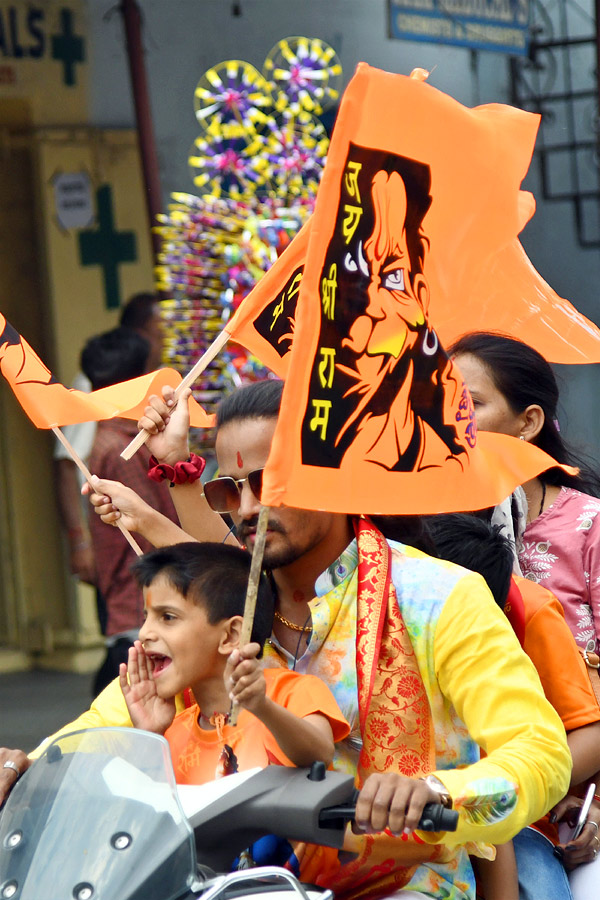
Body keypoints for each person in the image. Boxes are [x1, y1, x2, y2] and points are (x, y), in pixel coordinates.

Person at [3, 380, 572, 900]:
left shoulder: (438, 598)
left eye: (269, 482)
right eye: (231, 490)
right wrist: (26, 765)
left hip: (401, 887)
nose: (249, 508)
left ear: (334, 471)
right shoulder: (218, 609)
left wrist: (438, 793)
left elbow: (541, 754)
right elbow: (108, 722)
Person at [427, 513, 600, 900]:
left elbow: (591, 731)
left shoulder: (531, 611)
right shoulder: (404, 610)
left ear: (498, 607)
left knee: (538, 888)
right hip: (430, 807)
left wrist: (536, 784)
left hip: (521, 816)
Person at [450, 331, 600, 657]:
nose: (449, 420)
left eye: (469, 404)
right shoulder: (425, 519)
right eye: (441, 402)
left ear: (529, 423)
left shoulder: (590, 526)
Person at [82, 326, 179, 694]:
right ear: (138, 380)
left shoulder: (126, 438)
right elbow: (152, 525)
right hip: (136, 599)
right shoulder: (118, 447)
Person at [54, 292, 163, 588]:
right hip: (118, 549)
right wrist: (79, 542)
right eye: (159, 335)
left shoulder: (151, 380)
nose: (163, 345)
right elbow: (68, 464)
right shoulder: (96, 386)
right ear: (139, 334)